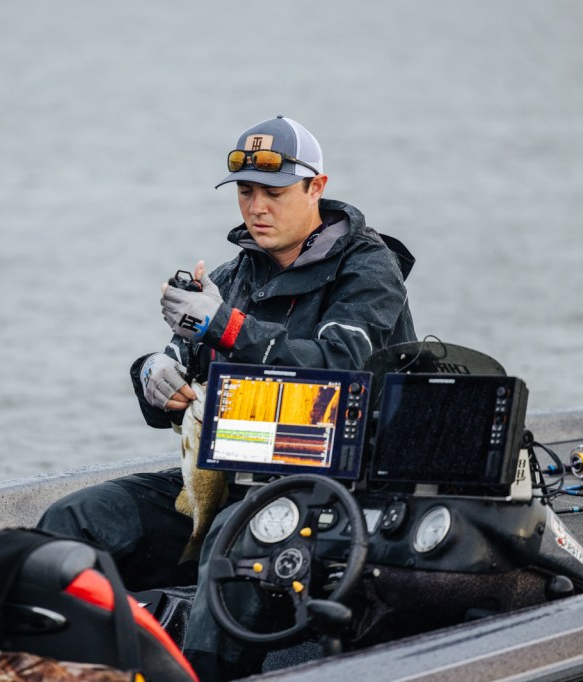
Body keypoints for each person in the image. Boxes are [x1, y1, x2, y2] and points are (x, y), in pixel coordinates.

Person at [37, 115, 416, 679]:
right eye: (245, 192)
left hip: (339, 493)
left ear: (316, 187)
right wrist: (153, 374)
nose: (256, 208)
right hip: (227, 479)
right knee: (76, 519)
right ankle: (55, 665)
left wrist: (225, 326)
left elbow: (339, 366)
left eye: (274, 193)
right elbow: (173, 376)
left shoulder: (370, 269)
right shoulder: (232, 277)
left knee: (230, 541)